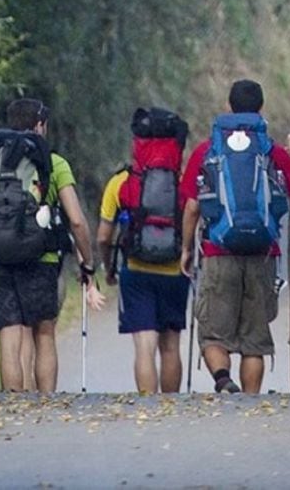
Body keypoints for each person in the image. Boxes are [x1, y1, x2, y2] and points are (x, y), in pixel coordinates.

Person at [0, 98, 104, 392]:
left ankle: (14, 404)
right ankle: (46, 406)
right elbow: (76, 220)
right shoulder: (54, 163)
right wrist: (87, 262)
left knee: (10, 334)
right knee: (44, 333)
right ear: (39, 125)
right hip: (42, 259)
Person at [179, 80, 290, 394]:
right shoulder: (273, 151)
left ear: (229, 107)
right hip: (263, 255)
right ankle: (251, 404)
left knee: (213, 335)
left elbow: (192, 207)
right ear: (260, 109)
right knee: (255, 340)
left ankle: (224, 381)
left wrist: (186, 249)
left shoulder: (207, 150)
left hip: (217, 252)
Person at [97, 107, 190, 393]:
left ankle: (148, 407)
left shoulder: (121, 182)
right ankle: (171, 405)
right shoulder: (183, 184)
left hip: (136, 270)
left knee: (144, 346)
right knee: (171, 345)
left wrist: (109, 267)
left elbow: (103, 236)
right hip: (176, 270)